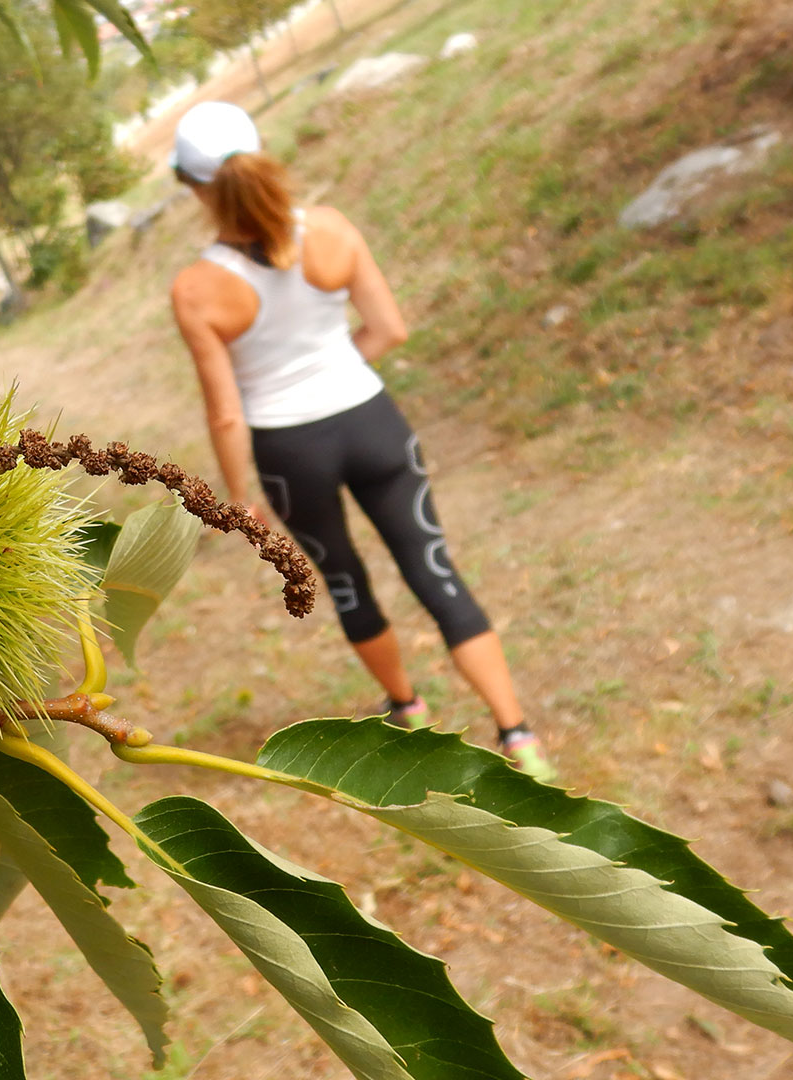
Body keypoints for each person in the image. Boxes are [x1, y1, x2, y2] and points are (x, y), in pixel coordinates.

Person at [166, 101, 555, 780]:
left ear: (194, 187)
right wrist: (339, 372)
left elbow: (226, 415)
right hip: (373, 423)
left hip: (292, 452)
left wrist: (237, 496)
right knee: (433, 568)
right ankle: (518, 735)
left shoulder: (197, 288)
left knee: (346, 582)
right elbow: (388, 329)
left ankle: (408, 709)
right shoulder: (334, 230)